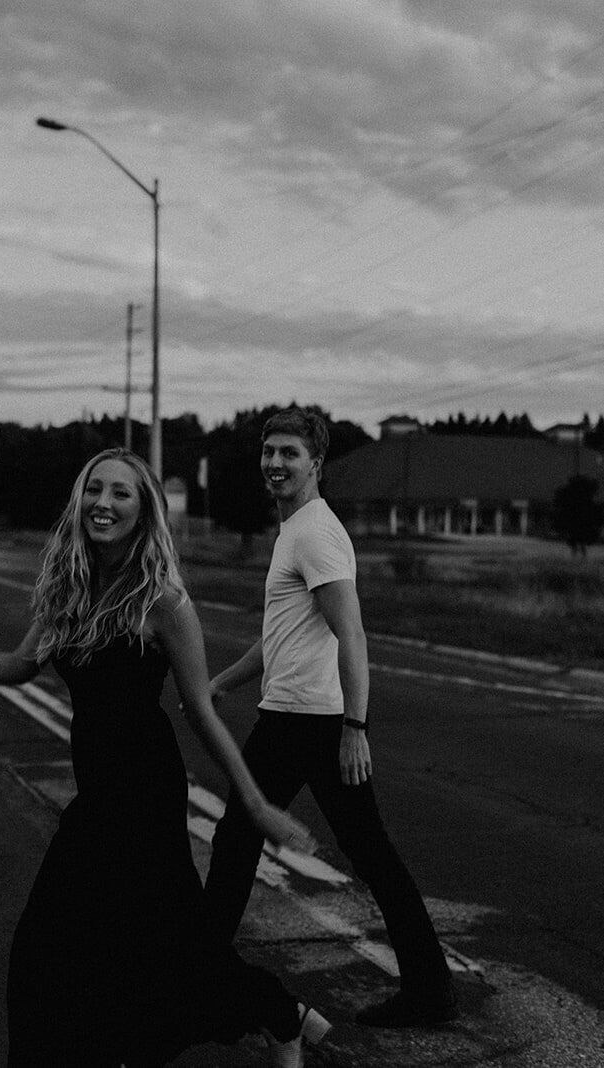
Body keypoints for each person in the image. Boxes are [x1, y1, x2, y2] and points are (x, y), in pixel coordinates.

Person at [0, 447, 330, 1067]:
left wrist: (255, 806)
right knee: (144, 942)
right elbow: (18, 665)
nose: (104, 503)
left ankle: (277, 1016)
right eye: (95, 489)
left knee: (96, 942)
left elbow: (201, 712)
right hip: (98, 792)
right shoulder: (69, 589)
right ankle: (281, 1013)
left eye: (121, 493)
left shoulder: (163, 602)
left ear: (144, 511)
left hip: (146, 794)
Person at [202, 408, 459, 1028]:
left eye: (289, 453)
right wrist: (221, 682)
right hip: (298, 716)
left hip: (307, 723)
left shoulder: (314, 533)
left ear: (315, 463)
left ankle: (195, 972)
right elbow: (280, 636)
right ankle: (431, 989)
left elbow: (353, 634)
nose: (275, 463)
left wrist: (355, 729)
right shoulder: (296, 530)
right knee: (362, 853)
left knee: (239, 841)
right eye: (269, 451)